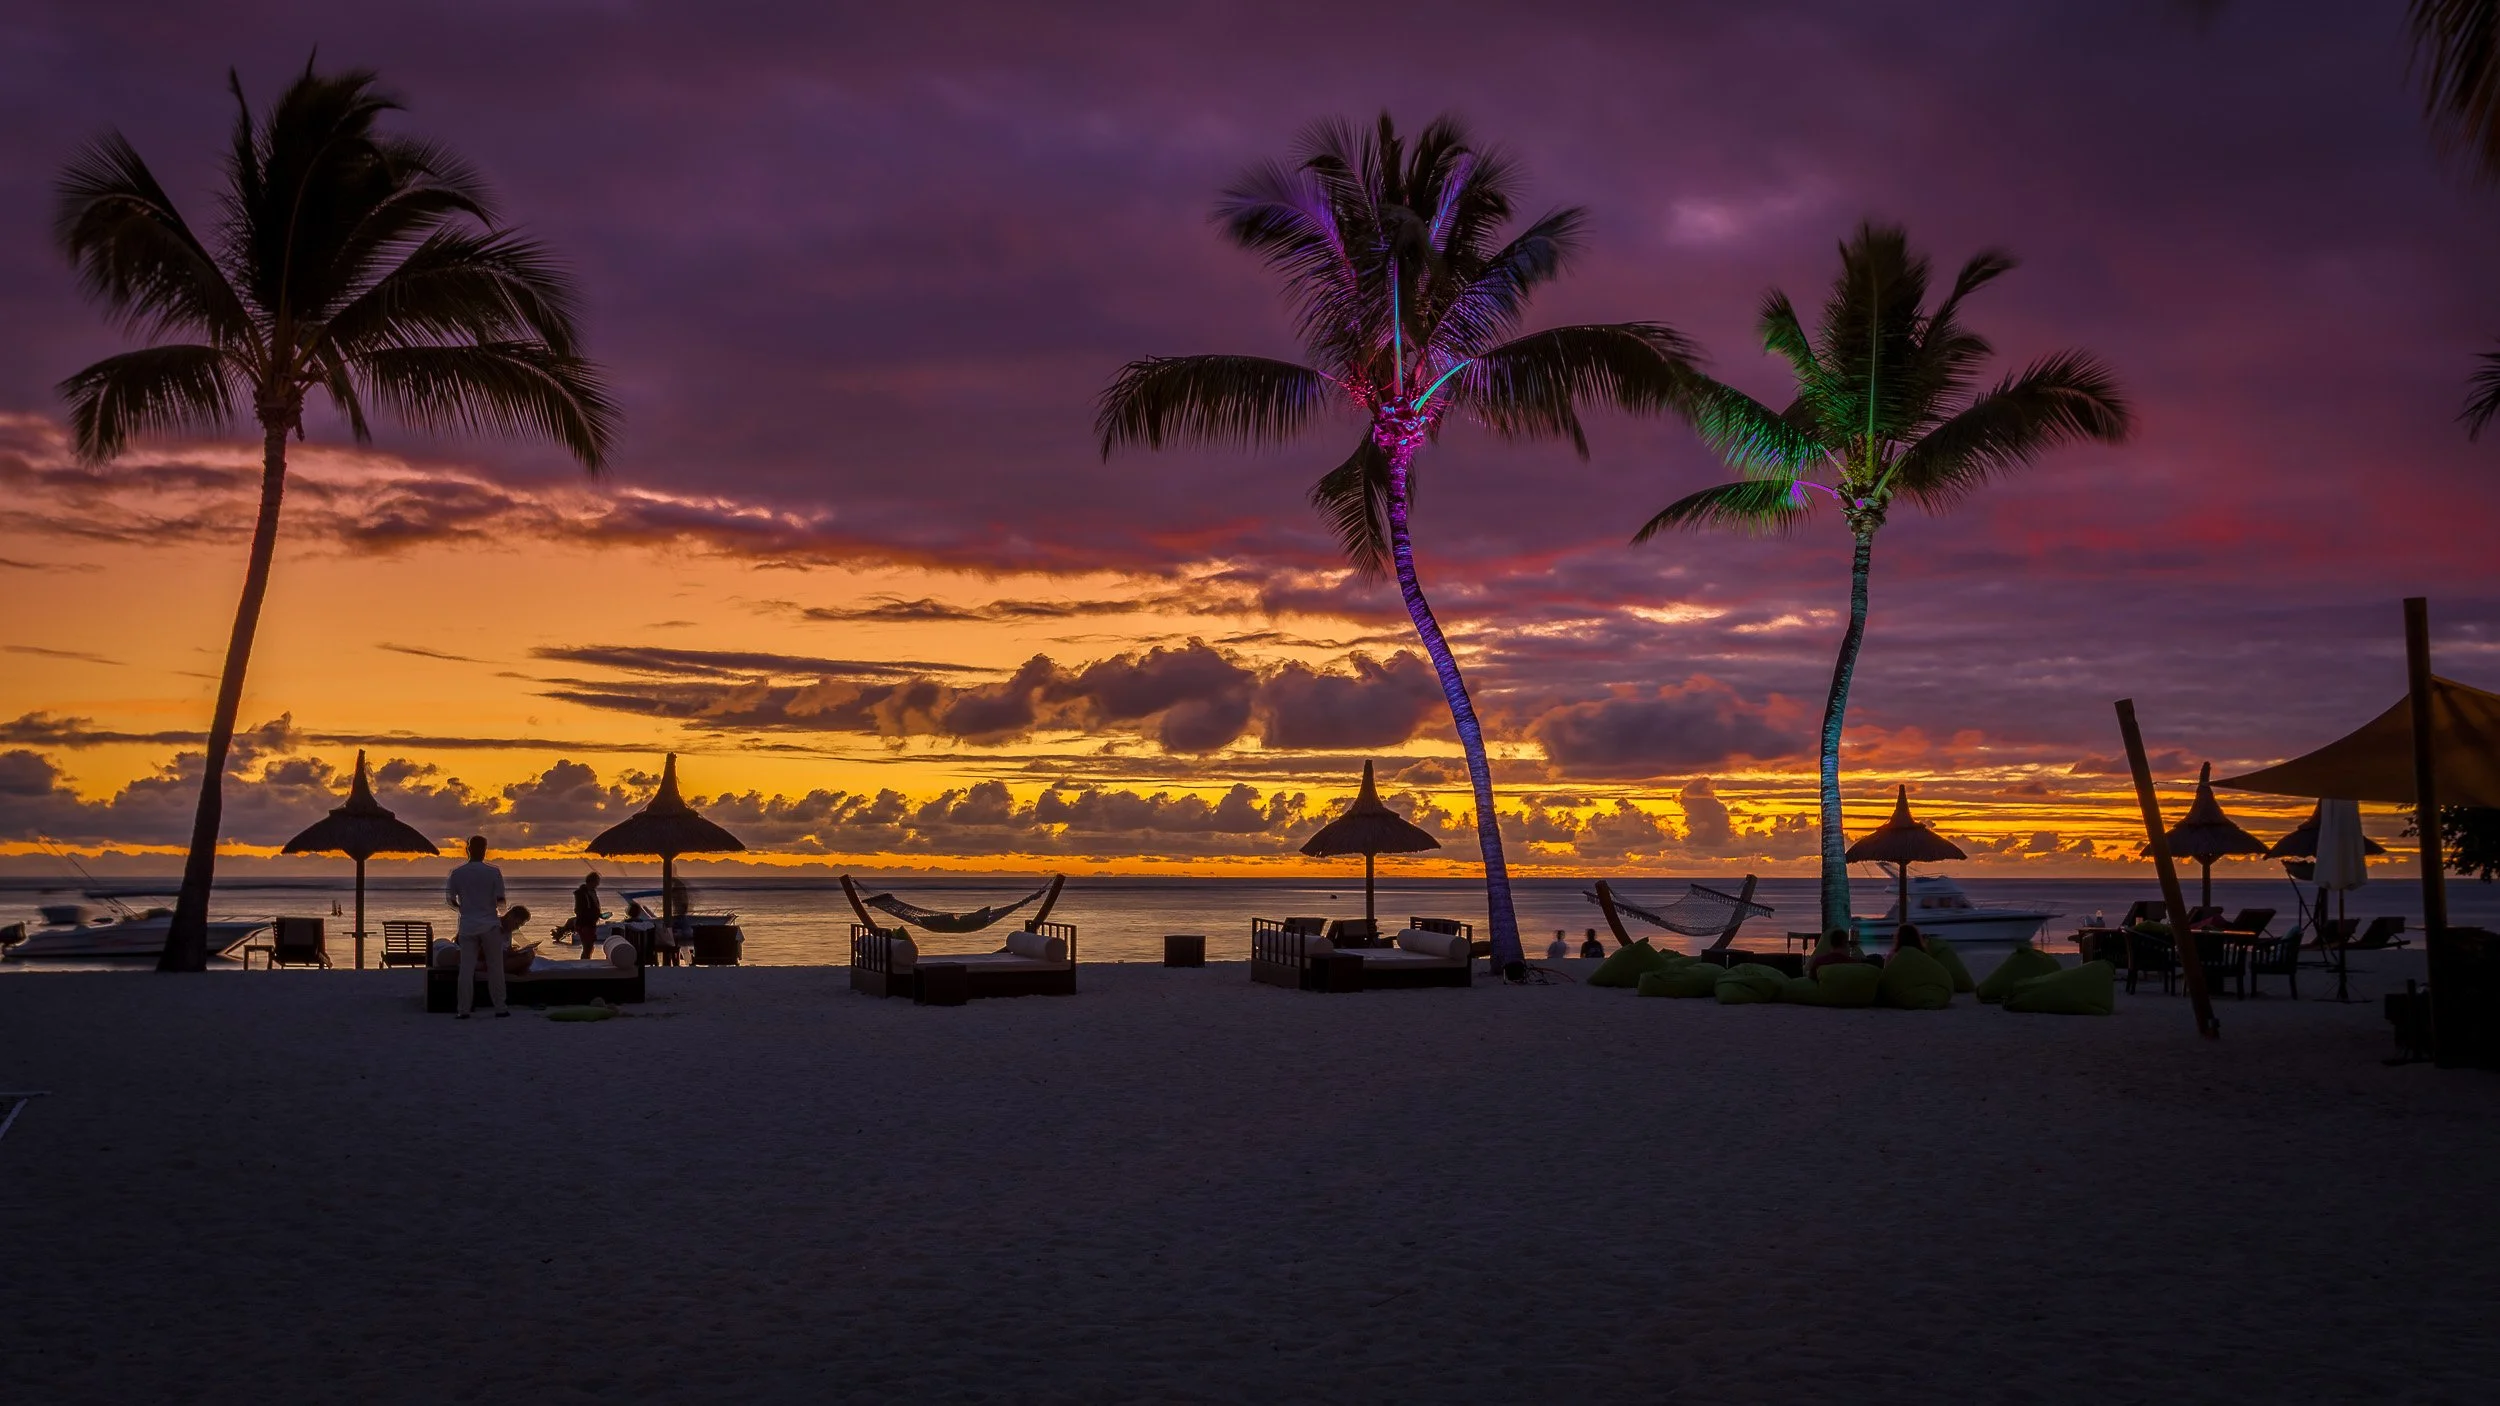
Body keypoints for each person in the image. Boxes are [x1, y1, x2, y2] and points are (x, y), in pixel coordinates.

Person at [445, 835, 509, 1018]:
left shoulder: (457, 873)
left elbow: (450, 899)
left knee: (466, 969)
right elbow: (501, 900)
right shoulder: (493, 872)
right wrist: (499, 915)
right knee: (495, 967)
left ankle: (463, 1009)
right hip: (489, 924)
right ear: (485, 849)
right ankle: (500, 1007)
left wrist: (463, 910)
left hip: (468, 925)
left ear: (468, 849)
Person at [573, 871, 604, 960]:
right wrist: (591, 916)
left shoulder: (592, 892)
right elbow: (578, 910)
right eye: (596, 882)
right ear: (591, 881)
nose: (598, 884)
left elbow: (593, 907)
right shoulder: (581, 893)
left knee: (589, 947)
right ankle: (584, 964)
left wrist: (599, 915)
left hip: (591, 923)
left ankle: (586, 962)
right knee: (587, 946)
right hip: (584, 923)